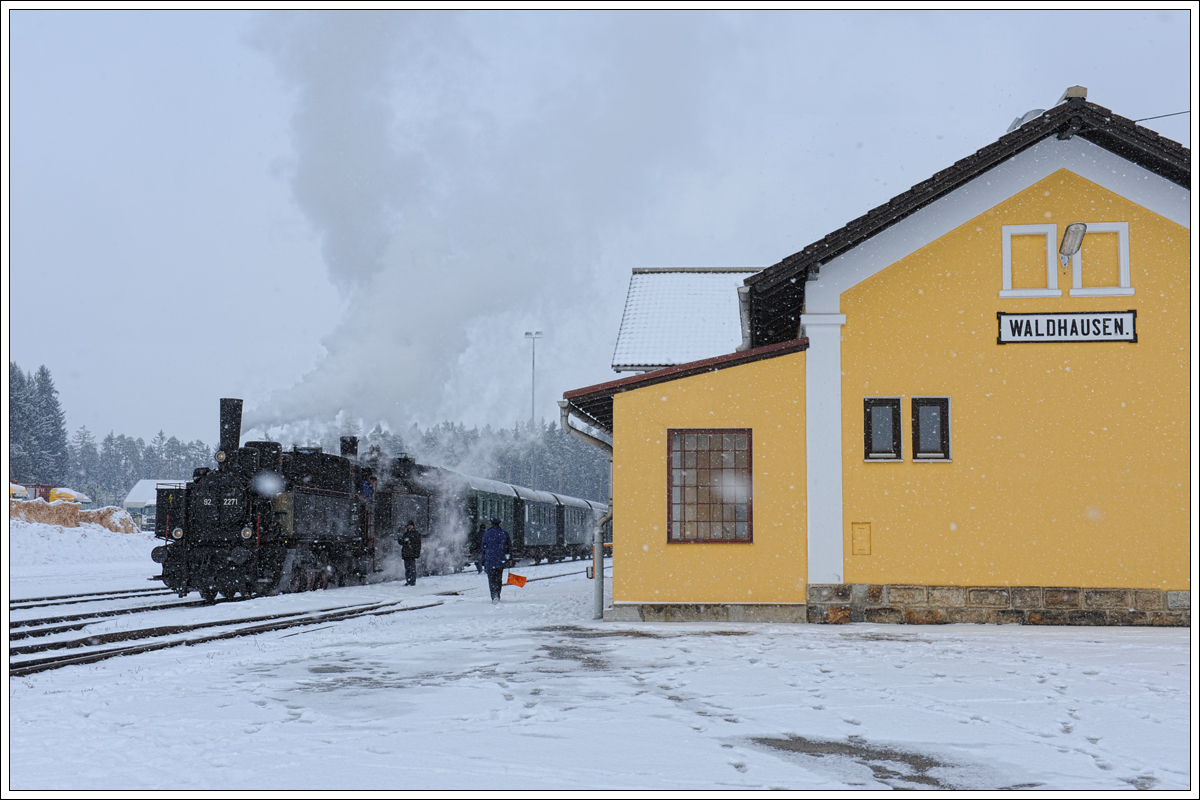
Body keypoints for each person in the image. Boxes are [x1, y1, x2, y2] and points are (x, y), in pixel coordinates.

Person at [481, 517, 511, 603]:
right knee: (499, 578)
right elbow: (509, 546)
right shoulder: (504, 533)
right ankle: (497, 594)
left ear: (491, 524)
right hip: (500, 560)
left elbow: (483, 547)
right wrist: (510, 558)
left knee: (491, 579)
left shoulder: (487, 534)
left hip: (490, 560)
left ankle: (494, 595)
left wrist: (484, 557)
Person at [398, 520, 422, 586]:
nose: (409, 527)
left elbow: (418, 544)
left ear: (413, 526)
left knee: (412, 569)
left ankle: (412, 581)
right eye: (409, 526)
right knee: (407, 569)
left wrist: (416, 552)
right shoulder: (405, 534)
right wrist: (400, 539)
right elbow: (402, 542)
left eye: (411, 526)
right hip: (406, 554)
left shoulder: (416, 534)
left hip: (412, 554)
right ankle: (408, 580)